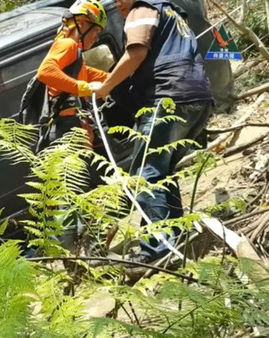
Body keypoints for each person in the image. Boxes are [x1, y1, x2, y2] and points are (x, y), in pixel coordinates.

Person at [93, 0, 214, 263]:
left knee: (144, 177)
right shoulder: (172, 13)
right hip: (197, 97)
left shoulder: (143, 9)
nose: (117, 3)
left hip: (168, 98)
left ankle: (157, 250)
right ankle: (176, 238)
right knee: (162, 173)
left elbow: (136, 53)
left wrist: (104, 86)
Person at [36, 0, 108, 147]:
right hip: (67, 128)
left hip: (70, 126)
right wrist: (85, 89)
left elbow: (88, 73)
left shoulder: (76, 56)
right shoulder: (68, 44)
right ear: (81, 24)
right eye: (96, 31)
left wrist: (115, 79)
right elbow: (45, 71)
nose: (97, 38)